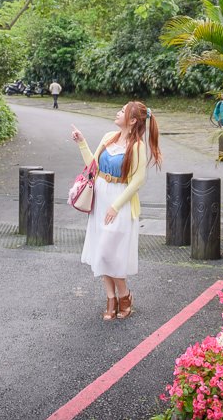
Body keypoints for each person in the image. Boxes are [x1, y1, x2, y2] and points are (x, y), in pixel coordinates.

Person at [70, 101, 162, 320]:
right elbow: (93, 166)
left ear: (132, 120)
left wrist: (116, 205)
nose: (117, 112)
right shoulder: (108, 137)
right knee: (100, 250)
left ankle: (125, 295)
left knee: (110, 251)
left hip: (119, 200)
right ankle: (111, 298)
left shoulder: (137, 145)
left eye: (122, 111)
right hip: (100, 195)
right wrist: (82, 143)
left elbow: (137, 180)